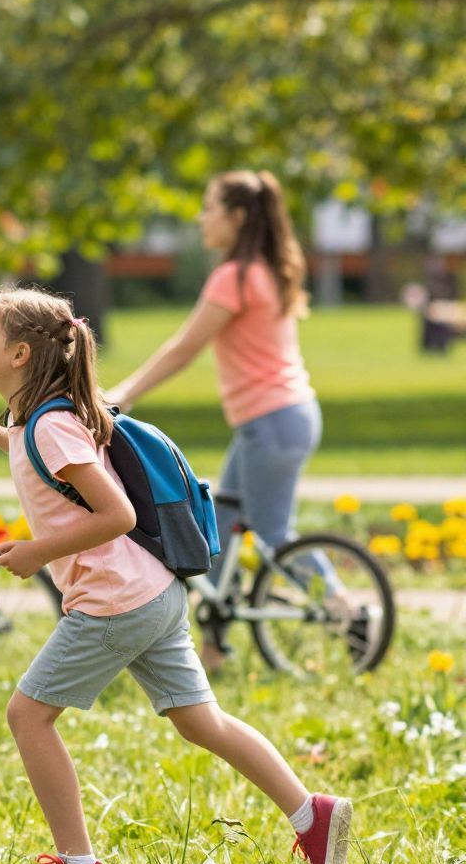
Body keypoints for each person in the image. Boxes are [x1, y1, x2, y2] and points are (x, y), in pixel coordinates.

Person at [0, 287, 350, 864]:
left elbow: (117, 515)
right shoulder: (41, 421)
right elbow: (38, 453)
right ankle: (312, 814)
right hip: (152, 594)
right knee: (202, 723)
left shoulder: (51, 427)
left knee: (27, 716)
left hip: (114, 603)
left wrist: (37, 552)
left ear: (17, 355)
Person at [108, 170, 341, 667]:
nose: (200, 218)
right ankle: (212, 647)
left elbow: (184, 348)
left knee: (274, 533)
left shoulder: (234, 276)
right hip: (283, 418)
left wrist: (125, 394)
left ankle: (346, 610)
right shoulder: (266, 268)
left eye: (209, 208)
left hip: (272, 420)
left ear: (236, 218)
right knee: (221, 522)